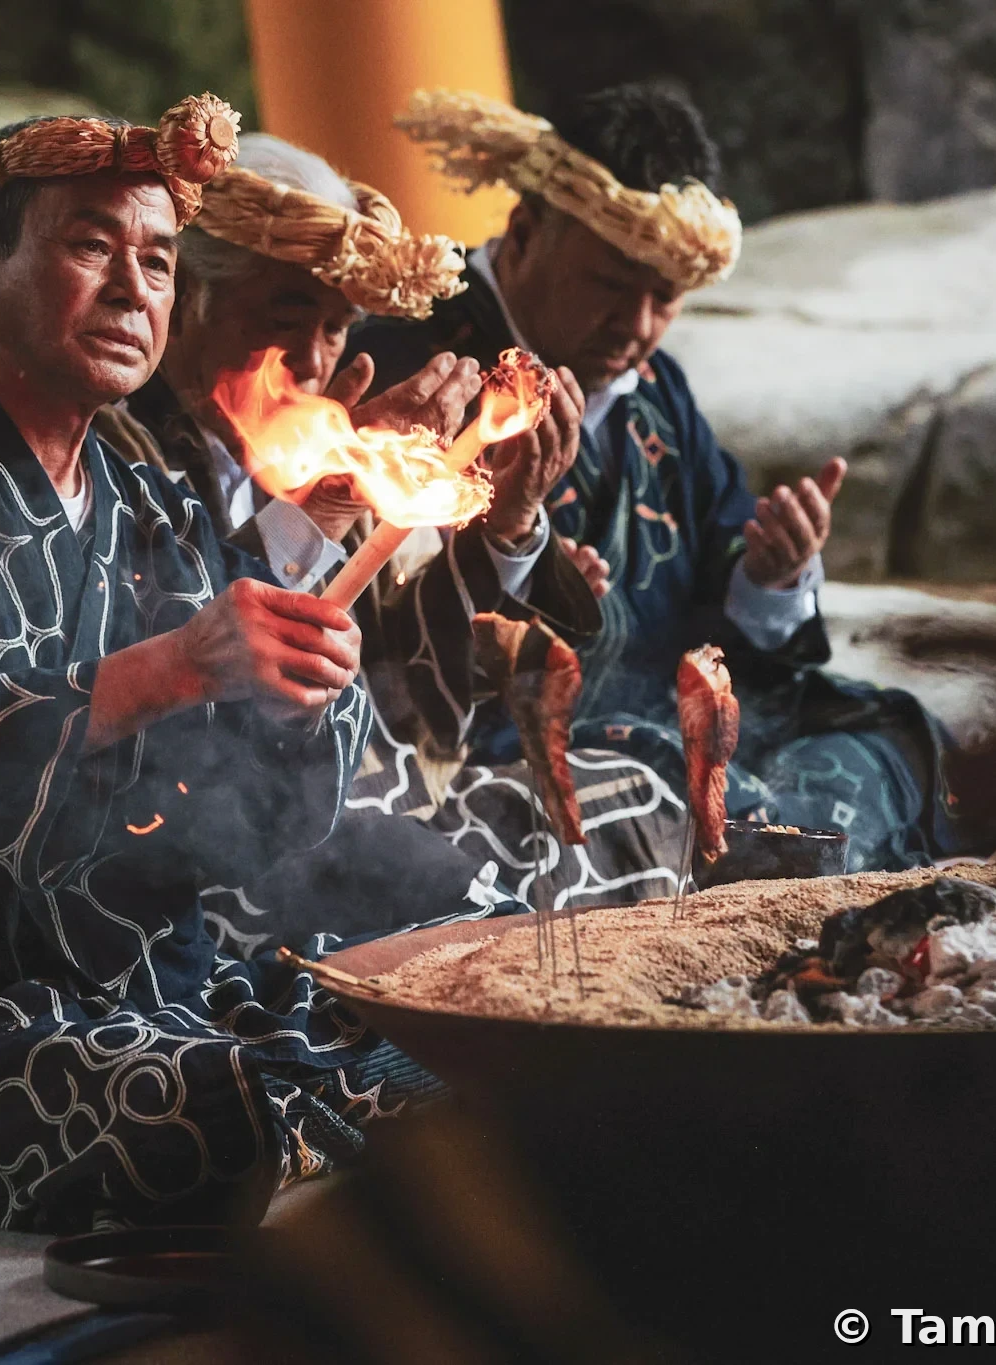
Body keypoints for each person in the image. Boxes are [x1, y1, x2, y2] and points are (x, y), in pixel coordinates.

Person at [0, 97, 504, 1235]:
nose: (133, 288)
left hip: (163, 986)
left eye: (155, 259)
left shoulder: (150, 500)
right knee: (202, 1110)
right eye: (89, 246)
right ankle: (314, 1130)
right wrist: (169, 667)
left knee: (482, 1021)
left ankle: (336, 1120)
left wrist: (295, 695)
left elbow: (246, 826)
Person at [350, 85, 996, 870]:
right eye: (612, 284)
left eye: (665, 296)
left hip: (674, 717)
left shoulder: (661, 392)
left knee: (894, 740)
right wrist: (521, 567)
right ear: (524, 232)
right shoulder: (410, 369)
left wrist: (772, 573)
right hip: (514, 754)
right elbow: (386, 643)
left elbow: (724, 586)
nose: (639, 326)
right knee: (684, 806)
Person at [94, 134, 703, 944]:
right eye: (285, 318)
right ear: (188, 295)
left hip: (384, 786)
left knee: (642, 800)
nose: (311, 360)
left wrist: (512, 518)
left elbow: (405, 681)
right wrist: (337, 498)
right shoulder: (115, 446)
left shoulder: (316, 441)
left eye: (338, 328)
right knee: (495, 925)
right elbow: (185, 666)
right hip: (219, 837)